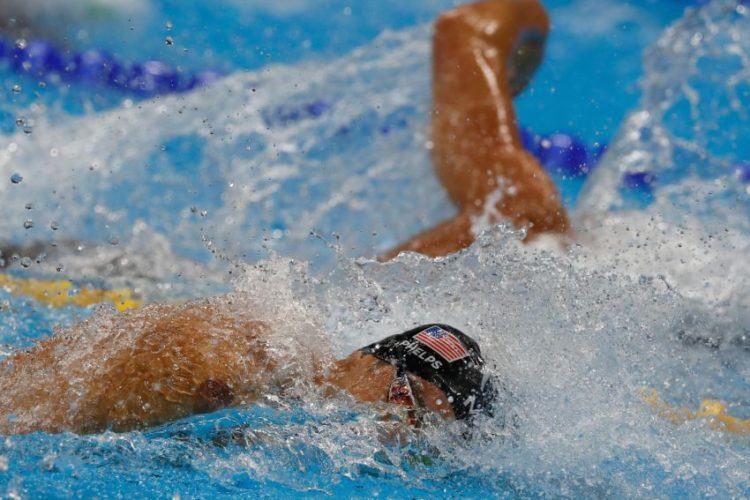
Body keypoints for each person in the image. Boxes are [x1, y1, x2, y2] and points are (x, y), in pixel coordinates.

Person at [0, 0, 562, 435]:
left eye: (426, 435)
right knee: (531, 218)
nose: (397, 432)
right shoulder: (231, 355)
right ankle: (484, 26)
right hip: (97, 271)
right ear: (366, 357)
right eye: (404, 401)